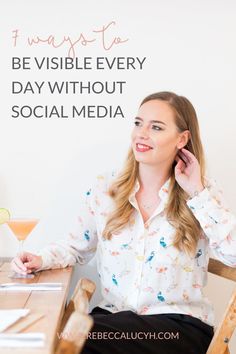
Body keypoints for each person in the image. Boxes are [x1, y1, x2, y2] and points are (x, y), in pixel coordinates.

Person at [11, 91, 236, 354]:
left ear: (182, 138)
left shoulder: (202, 193)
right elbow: (75, 247)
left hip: (178, 327)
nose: (142, 133)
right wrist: (40, 259)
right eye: (138, 123)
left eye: (156, 127)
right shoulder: (106, 188)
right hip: (115, 320)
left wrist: (197, 193)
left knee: (66, 340)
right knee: (55, 333)